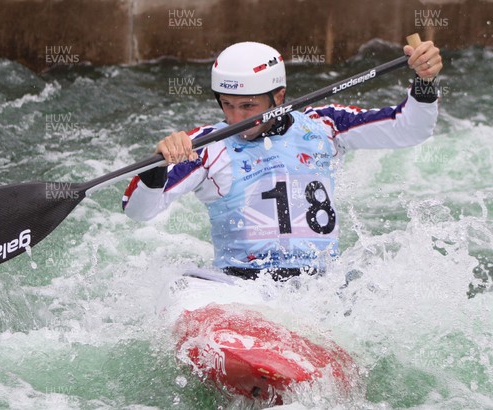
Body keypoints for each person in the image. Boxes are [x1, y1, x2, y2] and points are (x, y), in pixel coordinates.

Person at [122, 41, 442, 281]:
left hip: (317, 287)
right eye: (227, 105)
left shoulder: (324, 125)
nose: (236, 118)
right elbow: (138, 210)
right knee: (181, 282)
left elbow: (408, 130)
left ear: (279, 96)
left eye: (248, 106)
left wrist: (425, 82)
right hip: (239, 282)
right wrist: (157, 165)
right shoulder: (206, 146)